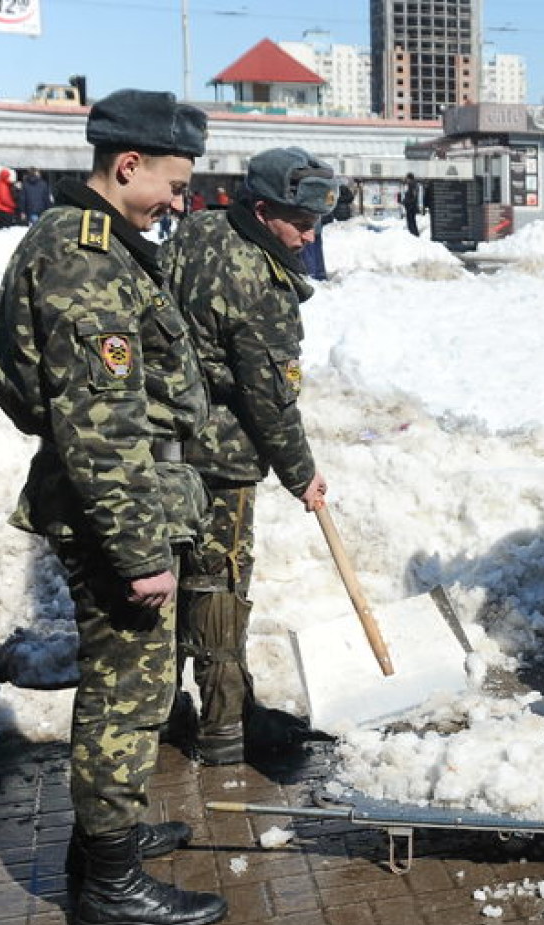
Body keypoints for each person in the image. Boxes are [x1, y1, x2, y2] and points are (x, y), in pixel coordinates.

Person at [0, 88, 226, 925]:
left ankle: (106, 844)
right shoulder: (86, 257)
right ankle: (111, 886)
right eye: (171, 182)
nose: (178, 200)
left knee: (134, 684)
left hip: (121, 499)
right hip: (114, 512)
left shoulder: (96, 244)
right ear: (126, 166)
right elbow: (102, 424)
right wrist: (136, 550)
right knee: (125, 694)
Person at [162, 147, 337, 765]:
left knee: (173, 577)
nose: (310, 234)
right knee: (219, 584)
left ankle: (167, 708)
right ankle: (224, 726)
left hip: (166, 443)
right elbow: (270, 401)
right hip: (222, 458)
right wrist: (302, 474)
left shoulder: (199, 228)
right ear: (264, 211)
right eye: (300, 221)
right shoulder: (261, 281)